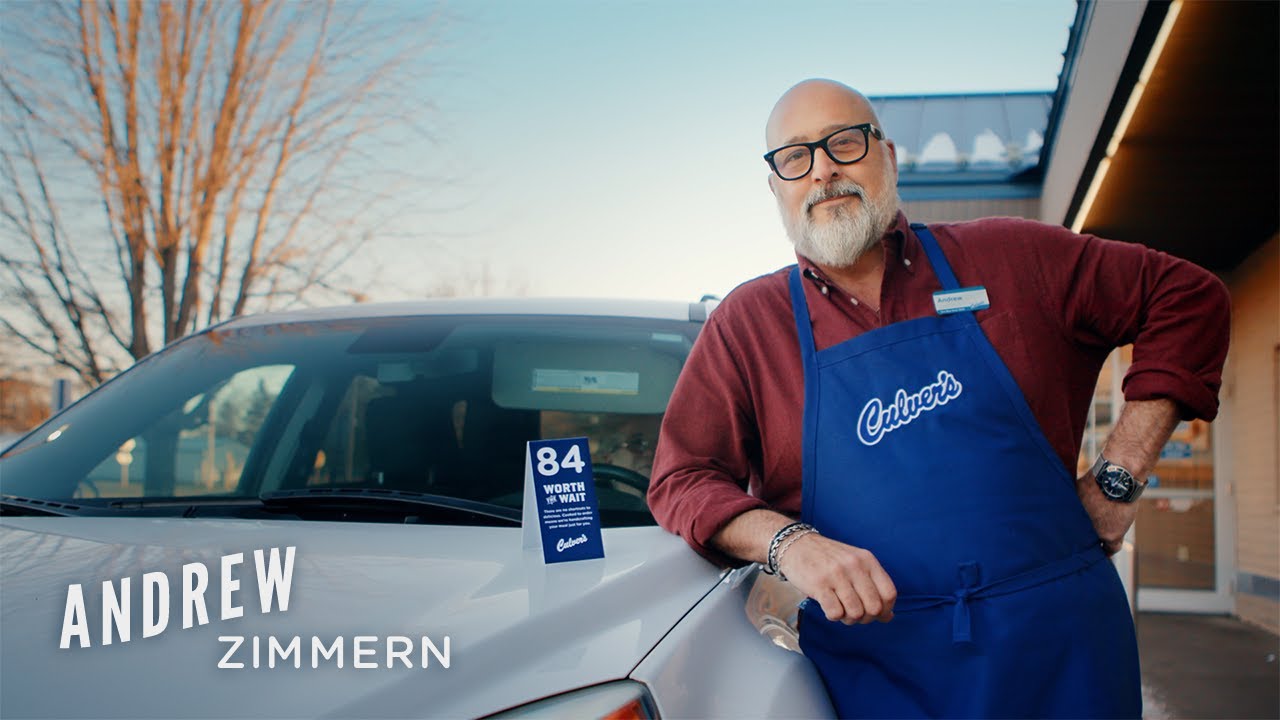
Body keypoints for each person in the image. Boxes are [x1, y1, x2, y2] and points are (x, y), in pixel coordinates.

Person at [647, 79, 1230, 719]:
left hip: (1064, 657)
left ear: (888, 156)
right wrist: (791, 544)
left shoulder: (1013, 258)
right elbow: (683, 478)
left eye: (845, 143)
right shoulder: (749, 324)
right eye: (796, 157)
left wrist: (1119, 475)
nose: (824, 173)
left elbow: (1188, 298)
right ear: (776, 186)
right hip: (882, 675)